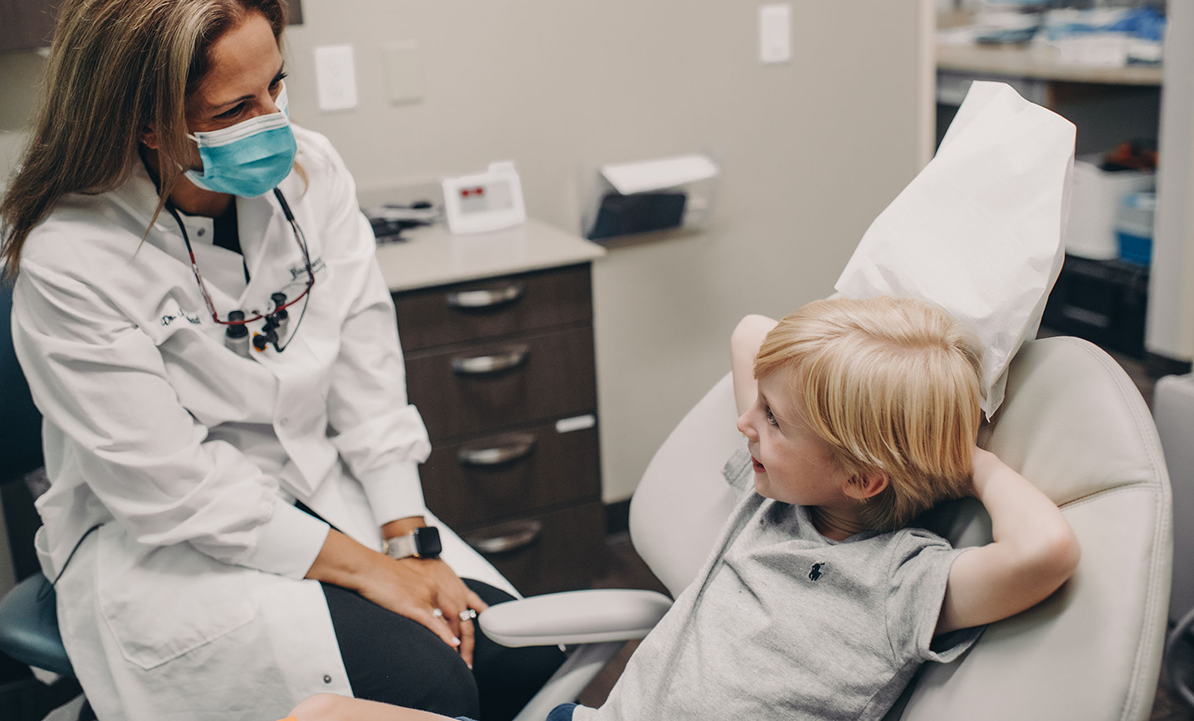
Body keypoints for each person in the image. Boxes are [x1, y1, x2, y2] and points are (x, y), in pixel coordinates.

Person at [1, 0, 561, 721]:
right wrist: (369, 572)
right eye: (234, 110)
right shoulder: (72, 256)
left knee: (518, 663)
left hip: (323, 492)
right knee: (431, 685)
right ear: (145, 125)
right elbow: (170, 486)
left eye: (276, 88)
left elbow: (366, 371)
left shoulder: (313, 175)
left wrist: (406, 542)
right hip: (168, 542)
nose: (273, 124)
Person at [272, 296, 1080, 721]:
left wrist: (959, 456)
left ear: (864, 477)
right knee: (317, 715)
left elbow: (1044, 551)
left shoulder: (904, 583)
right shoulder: (772, 503)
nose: (742, 425)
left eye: (771, 421)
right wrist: (849, 370)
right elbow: (750, 333)